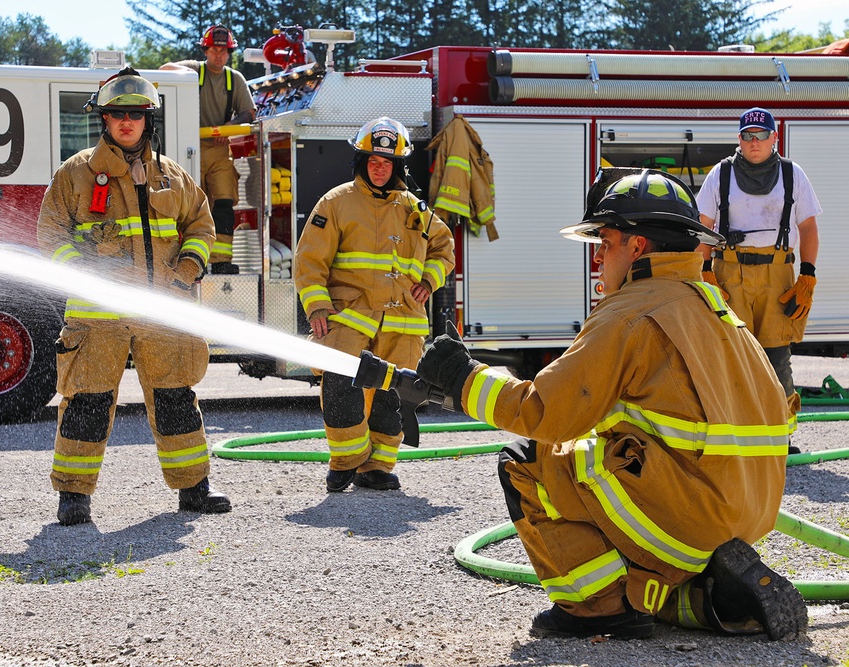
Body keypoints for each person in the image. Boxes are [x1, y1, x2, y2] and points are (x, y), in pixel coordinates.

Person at [415, 168, 807, 641]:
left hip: (694, 515)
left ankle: (596, 608)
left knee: (528, 461)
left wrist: (463, 380)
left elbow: (545, 412)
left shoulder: (631, 311)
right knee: (604, 454)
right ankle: (711, 595)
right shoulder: (716, 306)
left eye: (605, 241)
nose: (598, 256)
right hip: (750, 513)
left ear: (637, 247)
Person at [37, 67, 230, 526]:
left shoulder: (173, 176)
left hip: (163, 312)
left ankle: (194, 488)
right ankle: (73, 496)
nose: (127, 122)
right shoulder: (76, 174)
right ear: (104, 119)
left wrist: (188, 267)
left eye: (136, 114)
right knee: (86, 401)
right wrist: (83, 272)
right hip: (97, 316)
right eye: (117, 114)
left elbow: (201, 224)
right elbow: (50, 234)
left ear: (149, 120)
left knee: (175, 399)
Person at [295, 117, 455, 493]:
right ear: (361, 162)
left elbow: (444, 249)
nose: (379, 169)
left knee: (393, 394)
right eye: (373, 161)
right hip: (350, 315)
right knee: (339, 385)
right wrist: (317, 306)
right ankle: (346, 461)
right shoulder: (336, 203)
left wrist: (429, 279)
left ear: (398, 166)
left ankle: (378, 467)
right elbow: (309, 261)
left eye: (387, 163)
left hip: (402, 320)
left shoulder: (415, 208)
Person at [696, 107, 821, 431]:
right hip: (729, 276)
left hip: (777, 278)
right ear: (739, 139)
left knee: (777, 357)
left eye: (762, 135)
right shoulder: (720, 175)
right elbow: (703, 228)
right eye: (748, 136)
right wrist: (704, 272)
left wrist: (807, 275)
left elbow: (808, 228)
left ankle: (781, 433)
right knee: (731, 356)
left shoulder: (793, 175)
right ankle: (733, 433)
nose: (755, 142)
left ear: (773, 138)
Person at [161, 25, 256, 275]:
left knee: (224, 204)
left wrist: (230, 126)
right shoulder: (196, 70)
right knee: (192, 207)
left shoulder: (234, 79)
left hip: (219, 150)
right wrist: (187, 73)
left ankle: (221, 261)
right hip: (191, 148)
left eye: (223, 51)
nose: (218, 56)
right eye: (214, 50)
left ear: (229, 53)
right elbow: (165, 70)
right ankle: (194, 261)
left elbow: (249, 112)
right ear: (206, 51)